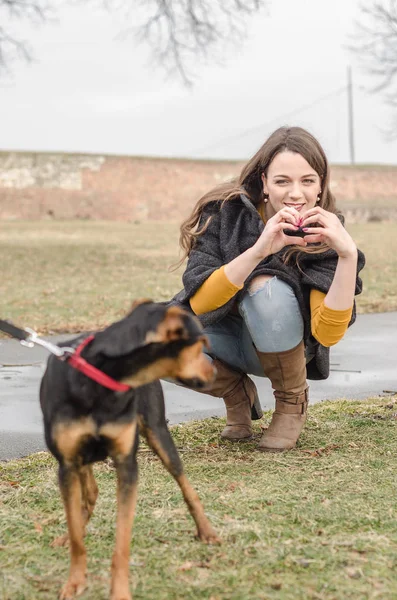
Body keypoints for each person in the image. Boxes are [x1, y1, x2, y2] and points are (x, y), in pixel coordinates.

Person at [170, 126, 365, 452]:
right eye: (282, 181)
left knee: (267, 287)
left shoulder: (326, 233)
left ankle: (291, 402)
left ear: (320, 186)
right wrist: (259, 250)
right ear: (263, 182)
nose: (295, 193)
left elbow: (327, 335)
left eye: (307, 180)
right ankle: (236, 393)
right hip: (224, 340)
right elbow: (201, 303)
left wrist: (347, 255)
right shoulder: (224, 213)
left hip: (284, 348)